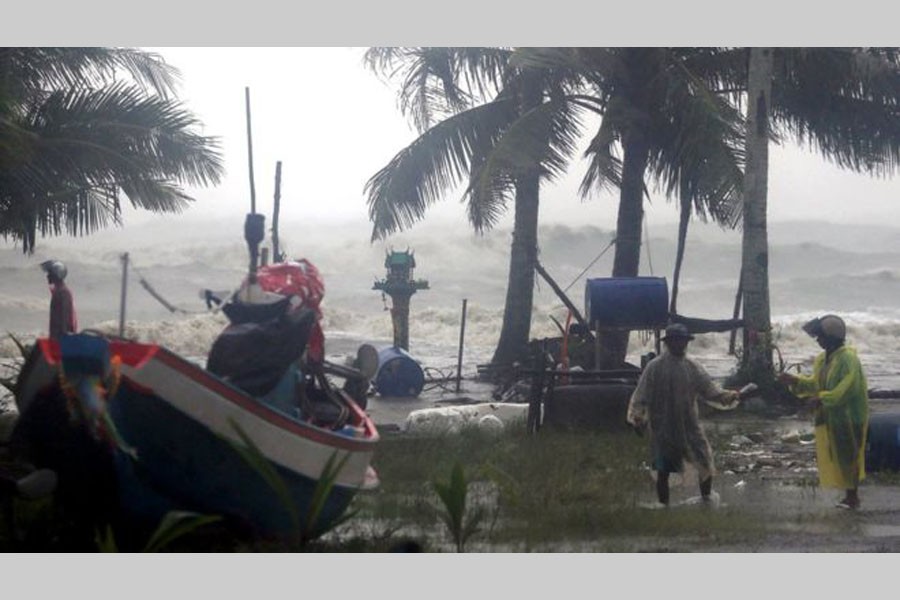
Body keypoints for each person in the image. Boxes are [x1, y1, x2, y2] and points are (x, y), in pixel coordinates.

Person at [627, 323, 740, 506]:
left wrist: (729, 396)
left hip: (689, 424)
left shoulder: (692, 366)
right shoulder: (654, 367)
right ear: (668, 343)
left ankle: (706, 499)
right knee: (663, 469)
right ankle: (664, 506)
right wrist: (637, 418)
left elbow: (710, 390)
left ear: (686, 343)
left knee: (704, 461)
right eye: (675, 341)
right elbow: (641, 395)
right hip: (663, 425)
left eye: (682, 341)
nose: (679, 344)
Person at [778, 314, 869, 510]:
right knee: (838, 454)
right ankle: (849, 496)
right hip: (832, 415)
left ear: (832, 337)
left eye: (821, 336)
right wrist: (795, 381)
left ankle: (852, 497)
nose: (818, 340)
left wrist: (823, 398)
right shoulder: (822, 360)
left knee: (849, 455)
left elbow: (848, 388)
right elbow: (815, 383)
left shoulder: (848, 359)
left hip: (849, 415)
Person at [40, 259, 77, 339]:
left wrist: (64, 335)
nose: (48, 276)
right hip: (56, 335)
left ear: (56, 275)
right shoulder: (58, 291)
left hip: (61, 336)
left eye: (50, 274)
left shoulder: (63, 292)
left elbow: (65, 315)